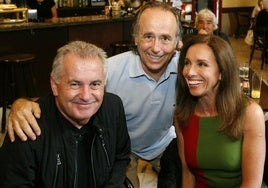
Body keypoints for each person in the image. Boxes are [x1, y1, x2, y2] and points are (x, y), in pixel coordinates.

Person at [6, 2, 182, 187]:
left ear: (177, 42)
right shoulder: (109, 69)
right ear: (136, 38)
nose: (156, 48)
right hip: (124, 149)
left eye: (165, 38)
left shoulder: (186, 71)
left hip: (161, 143)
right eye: (148, 36)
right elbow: (63, 94)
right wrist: (21, 104)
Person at [0, 41, 131, 187]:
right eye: (75, 84)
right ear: (54, 86)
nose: (86, 96)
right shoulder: (27, 125)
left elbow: (121, 157)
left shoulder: (113, 108)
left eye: (95, 84)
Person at [174, 35, 266, 187]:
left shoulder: (250, 113)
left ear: (222, 72)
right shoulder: (182, 115)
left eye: (202, 64)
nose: (189, 72)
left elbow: (251, 184)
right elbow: (187, 173)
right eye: (187, 63)